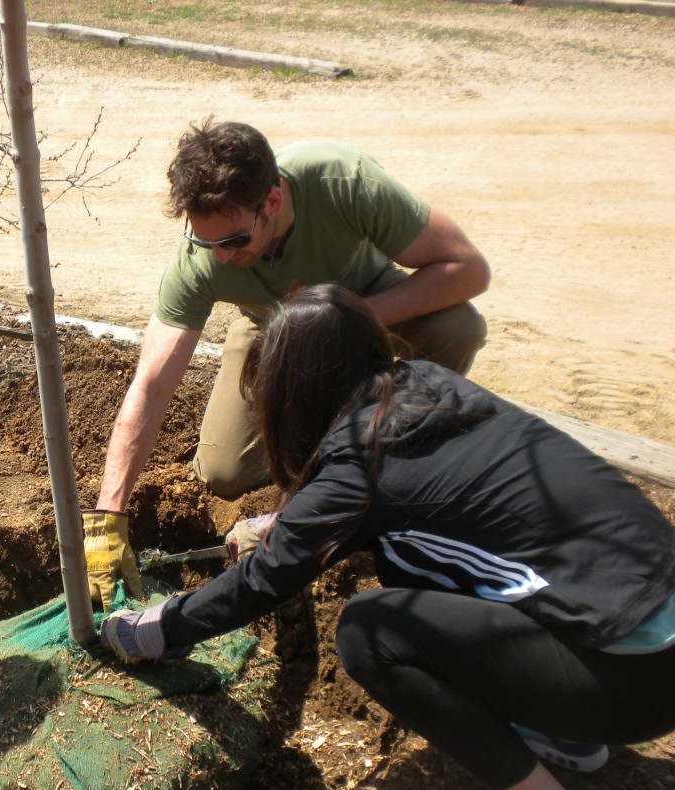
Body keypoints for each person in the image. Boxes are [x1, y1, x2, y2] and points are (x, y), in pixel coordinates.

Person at [99, 284, 675, 790]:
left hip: (628, 681)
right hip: (642, 618)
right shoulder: (426, 385)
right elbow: (426, 506)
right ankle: (562, 728)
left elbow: (260, 585)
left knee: (369, 630)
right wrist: (290, 525)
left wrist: (160, 626)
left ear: (292, 393)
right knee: (436, 566)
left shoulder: (356, 473)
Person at [82, 119, 491, 606]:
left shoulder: (343, 181)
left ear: (272, 202)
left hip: (365, 301)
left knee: (458, 328)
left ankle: (397, 450)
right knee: (223, 473)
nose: (222, 257)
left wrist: (349, 321)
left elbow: (468, 268)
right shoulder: (203, 258)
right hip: (270, 328)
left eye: (233, 241)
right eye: (205, 242)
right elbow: (150, 386)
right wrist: (108, 515)